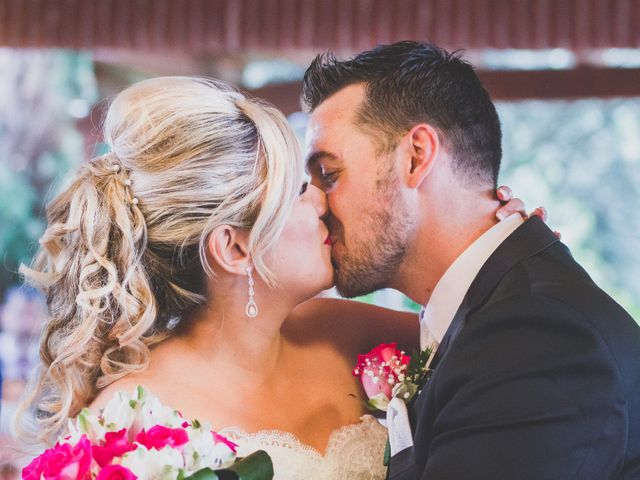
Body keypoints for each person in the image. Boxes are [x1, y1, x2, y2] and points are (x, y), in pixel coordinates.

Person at [15, 76, 532, 479]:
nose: (323, 202)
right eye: (298, 193)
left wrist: (494, 238)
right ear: (235, 247)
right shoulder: (132, 424)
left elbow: (496, 339)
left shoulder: (347, 334)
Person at [302, 40, 640, 480]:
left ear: (416, 156)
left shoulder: (536, 336)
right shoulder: (491, 311)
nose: (315, 205)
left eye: (329, 175)